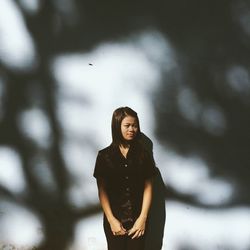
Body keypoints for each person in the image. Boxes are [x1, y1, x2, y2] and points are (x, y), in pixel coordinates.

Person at [93, 106, 157, 250]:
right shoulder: (104, 156)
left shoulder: (144, 155)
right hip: (114, 220)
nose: (131, 129)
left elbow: (149, 187)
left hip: (138, 220)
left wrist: (143, 219)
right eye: (127, 125)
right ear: (117, 126)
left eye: (135, 125)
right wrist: (111, 220)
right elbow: (102, 190)